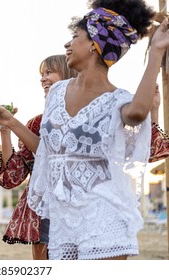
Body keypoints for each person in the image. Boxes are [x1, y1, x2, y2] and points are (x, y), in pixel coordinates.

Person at [23, 0, 169, 260]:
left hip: (104, 218)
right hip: (62, 221)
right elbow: (47, 148)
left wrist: (155, 54)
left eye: (75, 37)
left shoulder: (117, 100)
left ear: (94, 45)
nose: (67, 44)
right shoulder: (55, 93)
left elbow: (137, 114)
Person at [0, 54, 77, 260]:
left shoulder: (84, 118)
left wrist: (14, 124)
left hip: (81, 211)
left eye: (49, 72)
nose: (43, 79)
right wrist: (5, 131)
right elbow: (11, 178)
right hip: (45, 214)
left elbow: (52, 153)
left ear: (68, 75)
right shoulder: (35, 124)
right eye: (42, 74)